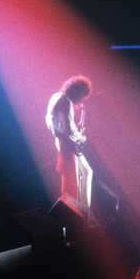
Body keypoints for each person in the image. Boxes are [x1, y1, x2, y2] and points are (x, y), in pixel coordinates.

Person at [45, 75, 94, 215]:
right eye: (82, 95)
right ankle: (78, 212)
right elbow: (64, 129)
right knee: (74, 178)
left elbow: (60, 125)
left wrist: (77, 131)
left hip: (64, 143)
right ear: (77, 91)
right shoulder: (64, 101)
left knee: (81, 174)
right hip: (67, 145)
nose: (82, 99)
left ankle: (80, 210)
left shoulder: (58, 97)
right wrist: (80, 139)